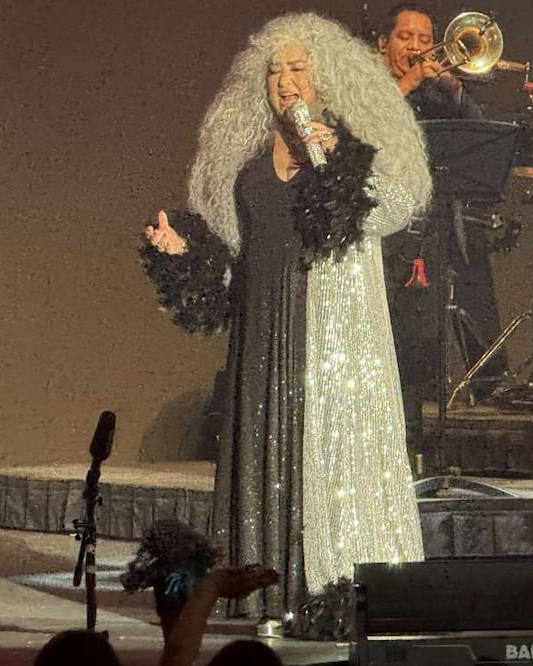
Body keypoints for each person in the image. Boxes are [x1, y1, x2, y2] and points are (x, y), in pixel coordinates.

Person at [141, 12, 430, 621]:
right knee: (263, 451)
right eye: (274, 70)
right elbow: (231, 251)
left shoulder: (349, 141)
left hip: (326, 325)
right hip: (261, 322)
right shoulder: (245, 150)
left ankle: (324, 586)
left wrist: (344, 165)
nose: (284, 79)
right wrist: (181, 254)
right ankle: (263, 587)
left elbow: (393, 211)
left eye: (297, 67)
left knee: (322, 455)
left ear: (326, 77)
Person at [374, 4, 504, 436]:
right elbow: (367, 129)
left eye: (424, 40)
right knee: (384, 342)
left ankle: (416, 441)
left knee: (422, 345)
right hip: (379, 235)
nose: (416, 48)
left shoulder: (435, 94)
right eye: (405, 38)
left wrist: (454, 91)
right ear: (382, 43)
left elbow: (483, 140)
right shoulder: (365, 86)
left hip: (429, 233)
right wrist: (410, 81)